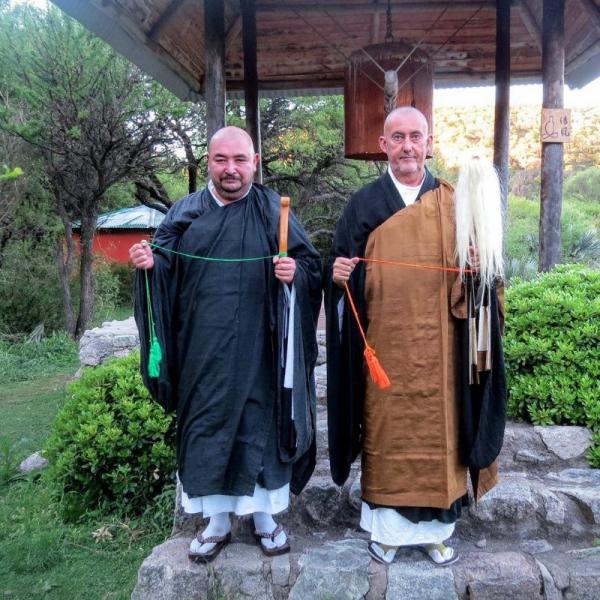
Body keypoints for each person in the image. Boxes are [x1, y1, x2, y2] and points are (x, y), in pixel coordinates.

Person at [130, 126, 321, 563]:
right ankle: (216, 523)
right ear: (208, 162)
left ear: (255, 162)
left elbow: (312, 266)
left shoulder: (275, 210)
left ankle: (265, 520)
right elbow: (160, 268)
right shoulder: (185, 213)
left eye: (240, 160)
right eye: (221, 160)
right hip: (203, 349)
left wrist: (296, 274)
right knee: (208, 430)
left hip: (262, 348)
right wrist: (147, 264)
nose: (230, 169)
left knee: (261, 428)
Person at [324, 107, 506, 566]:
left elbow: (482, 283)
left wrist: (475, 266)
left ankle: (437, 534)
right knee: (388, 437)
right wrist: (338, 274)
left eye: (415, 137)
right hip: (383, 352)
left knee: (441, 438)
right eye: (397, 137)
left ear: (430, 143)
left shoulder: (454, 201)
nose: (407, 145)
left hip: (443, 352)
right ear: (383, 145)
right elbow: (336, 271)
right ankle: (386, 533)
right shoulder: (363, 205)